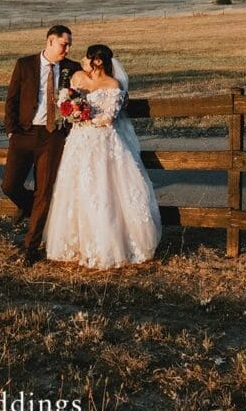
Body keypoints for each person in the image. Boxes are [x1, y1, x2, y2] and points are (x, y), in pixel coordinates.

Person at [42, 44, 162, 269]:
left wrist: (84, 116)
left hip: (103, 141)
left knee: (104, 189)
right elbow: (65, 100)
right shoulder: (78, 77)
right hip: (79, 142)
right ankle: (76, 244)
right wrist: (71, 111)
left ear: (98, 61)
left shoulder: (113, 84)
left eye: (88, 58)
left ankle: (109, 244)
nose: (84, 61)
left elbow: (109, 117)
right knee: (76, 189)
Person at [2, 24, 81, 266]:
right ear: (50, 41)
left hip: (53, 136)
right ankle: (27, 207)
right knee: (9, 185)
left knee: (44, 192)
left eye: (69, 45)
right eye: (63, 44)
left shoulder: (72, 69)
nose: (67, 49)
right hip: (24, 134)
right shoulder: (24, 64)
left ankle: (31, 247)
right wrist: (11, 131)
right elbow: (12, 99)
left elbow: (86, 92)